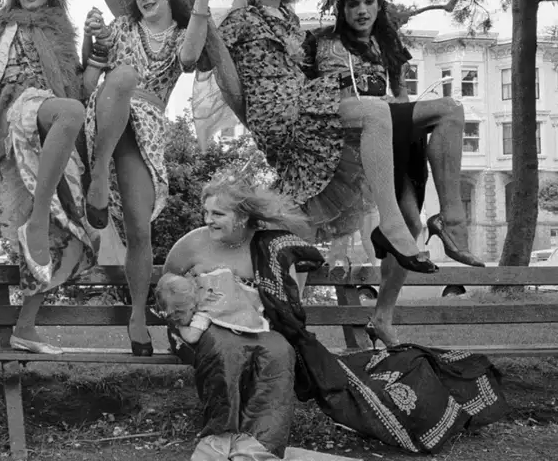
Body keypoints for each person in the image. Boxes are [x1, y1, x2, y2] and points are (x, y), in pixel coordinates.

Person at [162, 177, 507, 459]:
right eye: (206, 212)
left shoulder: (273, 245)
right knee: (227, 351)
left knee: (280, 352)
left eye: (218, 214)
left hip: (255, 325)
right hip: (200, 327)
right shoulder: (191, 245)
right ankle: (220, 436)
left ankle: (260, 442)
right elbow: (167, 285)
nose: (208, 220)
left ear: (241, 217)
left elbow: (288, 300)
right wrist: (184, 312)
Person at [216, 0, 435, 276]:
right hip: (279, 115)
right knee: (374, 114)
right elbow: (218, 73)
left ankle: (292, 288)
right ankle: (390, 227)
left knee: (374, 118)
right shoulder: (242, 18)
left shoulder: (288, 18)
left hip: (303, 103)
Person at [308, 0, 484, 347]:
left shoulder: (389, 44)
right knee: (443, 111)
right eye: (352, 3)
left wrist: (399, 119)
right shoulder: (319, 42)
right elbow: (299, 92)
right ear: (341, 7)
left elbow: (400, 97)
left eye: (369, 2)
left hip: (387, 128)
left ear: (378, 4)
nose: (362, 10)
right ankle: (452, 220)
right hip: (340, 127)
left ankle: (383, 317)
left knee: (410, 224)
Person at [81, 0, 217, 355]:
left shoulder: (180, 35)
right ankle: (99, 175)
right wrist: (89, 41)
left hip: (146, 128)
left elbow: (191, 58)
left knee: (141, 230)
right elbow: (90, 82)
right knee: (121, 76)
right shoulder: (121, 27)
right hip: (106, 114)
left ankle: (138, 314)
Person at [0, 0, 97, 354]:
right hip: (21, 113)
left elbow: (77, 89)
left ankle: (26, 328)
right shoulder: (0, 27)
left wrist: (95, 59)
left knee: (65, 232)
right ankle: (38, 219)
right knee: (69, 113)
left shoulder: (60, 27)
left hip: (53, 134)